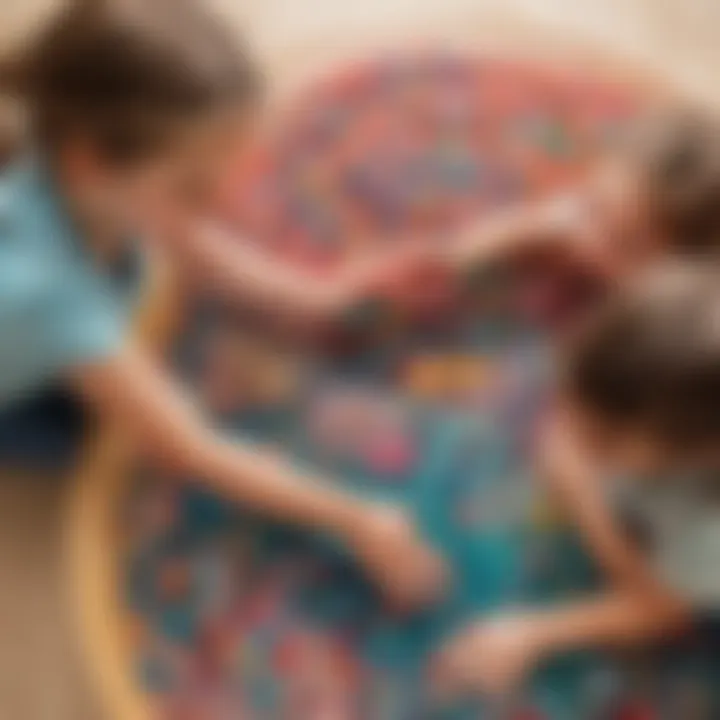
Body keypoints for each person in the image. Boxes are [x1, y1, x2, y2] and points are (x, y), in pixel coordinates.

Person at [0, 0, 445, 609]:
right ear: (90, 161)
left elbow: (194, 243)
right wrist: (359, 517)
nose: (216, 206)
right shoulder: (48, 295)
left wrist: (319, 296)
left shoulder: (78, 161)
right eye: (193, 187)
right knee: (114, 451)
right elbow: (188, 448)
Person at [433, 263, 720, 697]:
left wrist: (528, 633)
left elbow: (661, 610)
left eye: (602, 440)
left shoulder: (707, 536)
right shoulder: (662, 366)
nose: (570, 429)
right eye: (572, 398)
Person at [446, 109, 720, 284]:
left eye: (624, 243)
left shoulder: (650, 326)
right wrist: (512, 234)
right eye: (593, 208)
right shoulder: (556, 227)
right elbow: (453, 263)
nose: (589, 242)